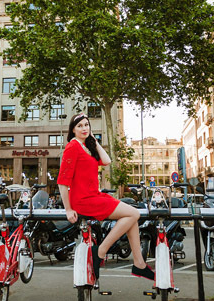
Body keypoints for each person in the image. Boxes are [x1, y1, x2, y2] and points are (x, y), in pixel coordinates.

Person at [57, 113, 153, 281]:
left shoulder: (86, 147)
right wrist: (68, 209)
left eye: (86, 125)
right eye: (79, 126)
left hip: (94, 195)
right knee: (133, 214)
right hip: (83, 200)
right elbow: (62, 181)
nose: (84, 128)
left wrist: (93, 140)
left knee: (131, 218)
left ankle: (139, 264)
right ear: (72, 130)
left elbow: (107, 160)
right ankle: (101, 251)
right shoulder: (72, 147)